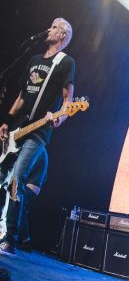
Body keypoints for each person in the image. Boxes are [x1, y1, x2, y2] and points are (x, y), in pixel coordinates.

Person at [0, 18, 75, 256]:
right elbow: (21, 97)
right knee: (2, 176)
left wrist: (58, 119)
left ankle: (10, 239)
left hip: (39, 133)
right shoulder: (33, 60)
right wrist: (6, 121)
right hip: (18, 130)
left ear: (62, 35)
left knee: (17, 179)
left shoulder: (65, 62)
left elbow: (68, 102)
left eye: (53, 27)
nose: (48, 30)